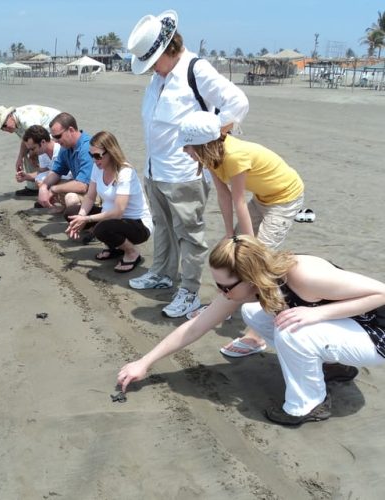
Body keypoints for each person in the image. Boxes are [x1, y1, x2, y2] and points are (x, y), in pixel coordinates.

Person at [117, 235, 385, 426]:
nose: (222, 293)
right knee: (254, 312)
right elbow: (196, 326)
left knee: (293, 331)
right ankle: (334, 367)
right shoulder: (258, 284)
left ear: (251, 276)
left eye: (226, 287)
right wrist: (144, 362)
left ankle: (309, 405)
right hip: (350, 324)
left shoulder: (303, 276)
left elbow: (381, 293)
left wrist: (317, 313)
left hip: (377, 333)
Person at [126, 10, 249, 318]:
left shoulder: (197, 69)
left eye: (153, 61)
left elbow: (238, 104)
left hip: (184, 174)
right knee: (163, 228)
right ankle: (162, 273)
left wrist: (209, 139)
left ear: (168, 48)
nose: (152, 68)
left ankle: (189, 292)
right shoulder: (159, 77)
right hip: (155, 170)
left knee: (189, 236)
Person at [179, 111, 305, 357]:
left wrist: (249, 248)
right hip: (262, 197)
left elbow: (238, 202)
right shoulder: (211, 156)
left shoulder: (234, 156)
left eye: (188, 146)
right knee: (231, 257)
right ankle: (222, 309)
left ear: (203, 145)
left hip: (284, 198)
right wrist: (230, 235)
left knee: (259, 265)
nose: (185, 151)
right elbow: (223, 195)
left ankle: (255, 335)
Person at [66, 131, 153, 273]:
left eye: (97, 155)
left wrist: (87, 218)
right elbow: (89, 197)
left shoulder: (125, 172)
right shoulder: (97, 167)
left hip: (137, 224)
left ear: (110, 152)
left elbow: (119, 211)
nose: (94, 160)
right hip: (111, 218)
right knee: (71, 213)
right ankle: (115, 247)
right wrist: (80, 217)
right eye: (91, 155)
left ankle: (132, 252)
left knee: (103, 227)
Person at [0, 104, 61, 197]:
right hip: (42, 135)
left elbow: (37, 139)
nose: (5, 129)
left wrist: (32, 154)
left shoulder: (26, 120)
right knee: (28, 153)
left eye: (4, 125)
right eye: (1, 128)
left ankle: (48, 186)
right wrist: (20, 158)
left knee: (35, 154)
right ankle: (34, 188)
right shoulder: (14, 123)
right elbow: (26, 141)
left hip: (58, 129)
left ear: (10, 116)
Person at [37, 112, 94, 218]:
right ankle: (65, 208)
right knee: (46, 181)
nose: (56, 141)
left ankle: (87, 222)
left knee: (71, 198)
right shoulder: (66, 147)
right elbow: (56, 171)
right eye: (53, 137)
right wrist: (44, 187)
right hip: (86, 188)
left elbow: (82, 186)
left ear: (71, 130)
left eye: (58, 136)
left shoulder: (87, 148)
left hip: (98, 193)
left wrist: (53, 189)